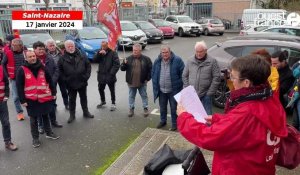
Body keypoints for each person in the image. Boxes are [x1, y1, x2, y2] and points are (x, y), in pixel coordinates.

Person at [177, 55, 288, 175]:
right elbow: (249, 128)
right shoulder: (270, 99)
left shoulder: (247, 112)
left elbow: (209, 137)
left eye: (233, 77)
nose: (231, 80)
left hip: (238, 169)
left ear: (246, 82)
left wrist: (184, 117)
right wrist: (217, 119)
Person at [16, 51, 60, 148]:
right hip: (31, 100)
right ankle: (35, 139)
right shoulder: (22, 70)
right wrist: (22, 100)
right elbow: (19, 86)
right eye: (30, 57)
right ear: (26, 58)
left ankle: (49, 133)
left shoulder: (42, 67)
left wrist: (53, 93)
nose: (32, 58)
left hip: (44, 97)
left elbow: (50, 80)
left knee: (45, 116)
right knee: (33, 120)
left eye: (33, 56)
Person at [58, 40, 94, 123]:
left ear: (74, 46)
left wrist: (86, 77)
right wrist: (65, 80)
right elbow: (60, 70)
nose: (70, 48)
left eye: (72, 46)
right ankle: (72, 115)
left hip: (82, 81)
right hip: (70, 83)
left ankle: (86, 112)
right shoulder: (62, 58)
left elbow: (88, 66)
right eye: (68, 46)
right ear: (65, 48)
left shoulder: (82, 55)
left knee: (84, 98)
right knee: (71, 100)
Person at [152, 45, 185, 131]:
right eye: (163, 52)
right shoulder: (157, 61)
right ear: (161, 53)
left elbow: (184, 74)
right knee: (162, 107)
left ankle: (175, 124)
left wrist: (180, 85)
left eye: (166, 52)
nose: (165, 54)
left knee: (174, 108)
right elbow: (153, 72)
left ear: (170, 52)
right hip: (161, 90)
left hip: (174, 90)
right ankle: (163, 121)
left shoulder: (177, 60)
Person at [182, 41, 220, 115]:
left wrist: (209, 93)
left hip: (206, 95)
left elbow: (217, 77)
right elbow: (184, 75)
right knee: (193, 116)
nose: (198, 54)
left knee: (207, 116)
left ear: (205, 51)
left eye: (201, 51)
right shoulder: (190, 60)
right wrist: (188, 89)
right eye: (197, 51)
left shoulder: (212, 61)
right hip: (192, 94)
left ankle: (207, 127)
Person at [33, 41, 62, 131]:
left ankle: (53, 121)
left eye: (42, 49)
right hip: (38, 88)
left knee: (52, 105)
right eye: (39, 49)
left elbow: (56, 69)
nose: (41, 51)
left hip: (50, 86)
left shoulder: (48, 57)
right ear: (34, 50)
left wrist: (52, 81)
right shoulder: (32, 59)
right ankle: (40, 125)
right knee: (40, 107)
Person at [120, 44, 152, 117]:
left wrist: (148, 79)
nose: (134, 52)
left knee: (144, 95)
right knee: (131, 96)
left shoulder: (146, 59)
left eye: (136, 50)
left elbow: (151, 70)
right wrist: (123, 64)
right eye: (133, 50)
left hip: (142, 82)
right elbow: (122, 69)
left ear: (140, 51)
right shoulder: (128, 59)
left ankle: (145, 108)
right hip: (131, 82)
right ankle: (131, 109)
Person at [2, 38, 25, 121]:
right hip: (14, 78)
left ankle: (31, 110)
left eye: (15, 45)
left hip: (25, 78)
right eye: (12, 45)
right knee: (15, 97)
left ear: (20, 46)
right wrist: (7, 75)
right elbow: (3, 64)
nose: (13, 46)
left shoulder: (24, 53)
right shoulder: (8, 53)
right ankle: (19, 113)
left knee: (28, 95)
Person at [93, 41, 120, 111]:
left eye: (104, 46)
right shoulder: (100, 52)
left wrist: (111, 74)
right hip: (101, 75)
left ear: (108, 45)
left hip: (110, 75)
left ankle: (113, 103)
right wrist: (99, 54)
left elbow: (116, 65)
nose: (103, 47)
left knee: (112, 90)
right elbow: (95, 60)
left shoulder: (113, 52)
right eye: (102, 46)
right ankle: (103, 101)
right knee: (100, 89)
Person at [45, 39, 69, 110]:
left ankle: (66, 104)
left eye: (53, 45)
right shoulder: (45, 55)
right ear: (47, 47)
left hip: (61, 74)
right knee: (53, 91)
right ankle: (53, 105)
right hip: (52, 75)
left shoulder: (60, 52)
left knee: (64, 90)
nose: (52, 47)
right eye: (50, 46)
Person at [0, 64, 18, 151]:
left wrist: (6, 95)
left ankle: (8, 142)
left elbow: (6, 83)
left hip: (2, 102)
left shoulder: (0, 68)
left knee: (6, 123)